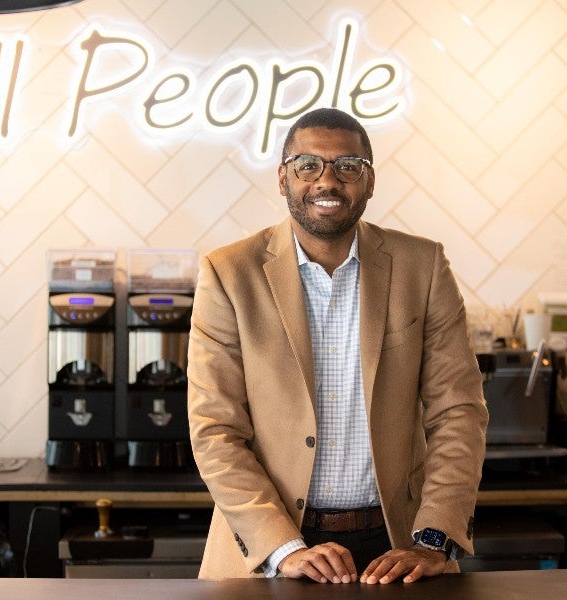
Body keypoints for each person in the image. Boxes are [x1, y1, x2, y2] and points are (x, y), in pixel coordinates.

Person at [187, 107, 488, 584]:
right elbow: (215, 430)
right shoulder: (229, 273)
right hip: (273, 551)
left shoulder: (422, 266)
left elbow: (458, 411)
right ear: (283, 177)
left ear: (369, 182)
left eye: (348, 166)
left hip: (397, 548)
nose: (327, 180)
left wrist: (433, 539)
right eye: (309, 165)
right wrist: (284, 548)